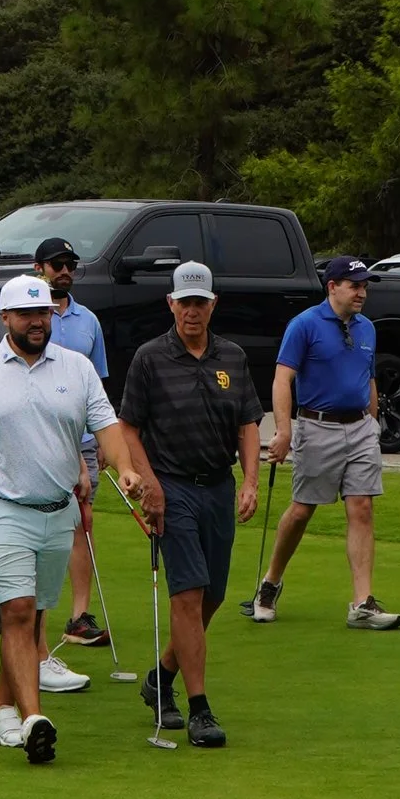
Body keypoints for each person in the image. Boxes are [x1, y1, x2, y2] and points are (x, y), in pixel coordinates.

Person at [0, 273, 152, 763]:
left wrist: (128, 469)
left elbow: (106, 426)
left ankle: (1, 708)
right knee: (18, 611)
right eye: (27, 314)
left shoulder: (77, 367)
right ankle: (33, 719)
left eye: (44, 312)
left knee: (29, 619)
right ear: (4, 318)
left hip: (58, 512)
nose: (37, 321)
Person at [117, 260, 259, 746]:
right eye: (184, 302)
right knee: (189, 594)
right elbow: (129, 428)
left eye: (201, 302)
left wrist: (251, 482)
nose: (192, 311)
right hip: (171, 487)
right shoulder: (150, 358)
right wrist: (149, 485)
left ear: (212, 304)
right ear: (171, 304)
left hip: (218, 486)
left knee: (213, 595)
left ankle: (160, 678)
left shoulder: (233, 357)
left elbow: (247, 424)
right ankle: (199, 708)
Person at [248, 258, 400, 630]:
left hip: (361, 429)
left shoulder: (367, 328)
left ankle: (362, 603)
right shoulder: (304, 325)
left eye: (365, 285)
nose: (362, 292)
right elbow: (282, 379)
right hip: (318, 428)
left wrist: (374, 424)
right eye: (354, 285)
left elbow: (367, 379)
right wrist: (284, 431)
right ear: (332, 286)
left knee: (362, 507)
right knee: (302, 510)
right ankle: (270, 583)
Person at [37, 235, 112, 673]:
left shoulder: (89, 320)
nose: (64, 271)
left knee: (81, 523)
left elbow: (97, 383)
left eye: (70, 264)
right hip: (37, 438)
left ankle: (79, 617)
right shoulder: (26, 312)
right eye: (56, 264)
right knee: (36, 523)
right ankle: (3, 604)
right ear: (39, 267)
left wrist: (103, 437)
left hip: (81, 440)